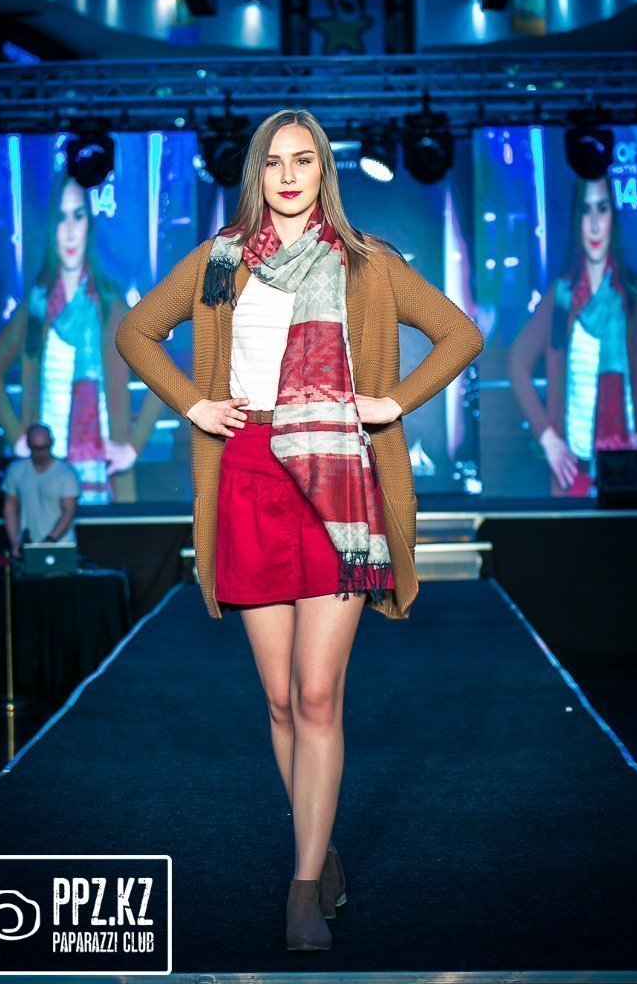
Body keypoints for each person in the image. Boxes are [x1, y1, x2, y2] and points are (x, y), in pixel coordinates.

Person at [115, 108, 484, 951]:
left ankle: (304, 884)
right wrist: (194, 404)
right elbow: (134, 331)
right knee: (280, 699)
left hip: (338, 482)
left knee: (318, 694)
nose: (288, 175)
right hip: (248, 476)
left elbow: (460, 334)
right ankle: (320, 849)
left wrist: (391, 402)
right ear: (257, 174)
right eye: (274, 162)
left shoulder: (365, 261)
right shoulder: (220, 260)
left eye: (304, 160)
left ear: (324, 171)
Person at [0, 170, 165, 504]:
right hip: (46, 479)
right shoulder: (37, 306)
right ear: (51, 228)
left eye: (78, 216)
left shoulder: (111, 307)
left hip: (106, 481)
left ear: (89, 225)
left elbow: (161, 373)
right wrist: (17, 437)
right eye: (61, 218)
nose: (69, 231)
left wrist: (132, 447)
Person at [508, 174, 637, 497]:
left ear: (613, 218)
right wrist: (548, 438)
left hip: (631, 471)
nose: (594, 224)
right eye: (585, 211)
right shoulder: (562, 297)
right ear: (576, 220)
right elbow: (517, 363)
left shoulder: (633, 295)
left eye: (602, 209)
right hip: (574, 475)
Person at [2, 423, 80, 559]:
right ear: (28, 445)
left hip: (60, 547)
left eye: (45, 447)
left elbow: (69, 512)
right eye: (36, 448)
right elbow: (10, 508)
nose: (41, 453)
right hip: (27, 546)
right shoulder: (16, 470)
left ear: (52, 443)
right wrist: (15, 542)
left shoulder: (66, 473)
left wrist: (49, 541)